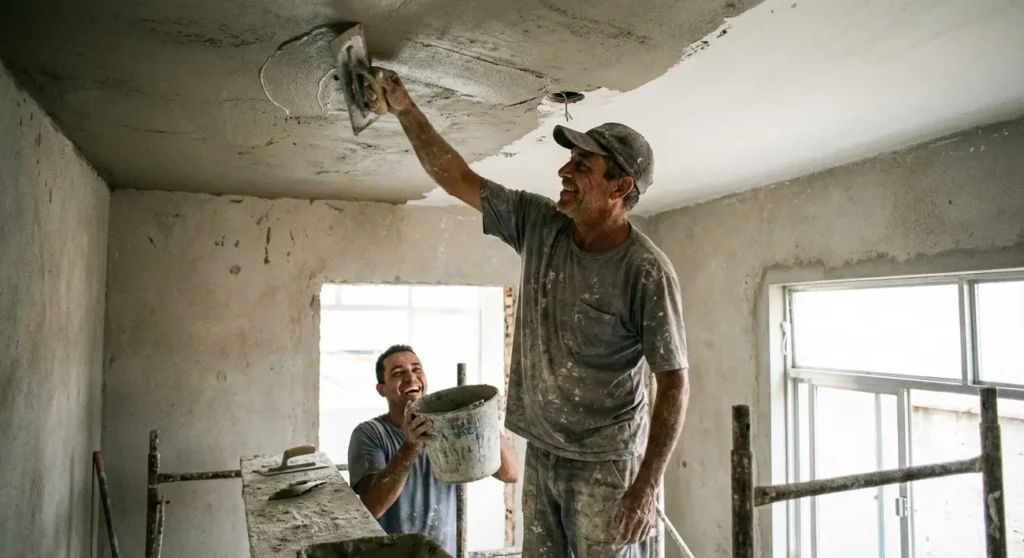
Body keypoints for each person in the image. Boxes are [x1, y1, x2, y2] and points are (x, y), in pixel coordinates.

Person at [362, 69, 691, 558]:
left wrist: (646, 485)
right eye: (570, 159)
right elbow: (457, 178)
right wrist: (405, 109)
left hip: (607, 464)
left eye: (583, 165)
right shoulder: (541, 225)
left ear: (620, 187)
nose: (565, 171)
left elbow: (675, 383)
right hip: (542, 451)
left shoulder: (645, 271)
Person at [347, 344, 520, 557]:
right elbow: (371, 507)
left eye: (416, 369)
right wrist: (410, 447)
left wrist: (484, 420)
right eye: (398, 373)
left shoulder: (449, 426)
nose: (411, 378)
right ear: (381, 389)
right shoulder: (370, 434)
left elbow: (511, 474)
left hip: (443, 553)